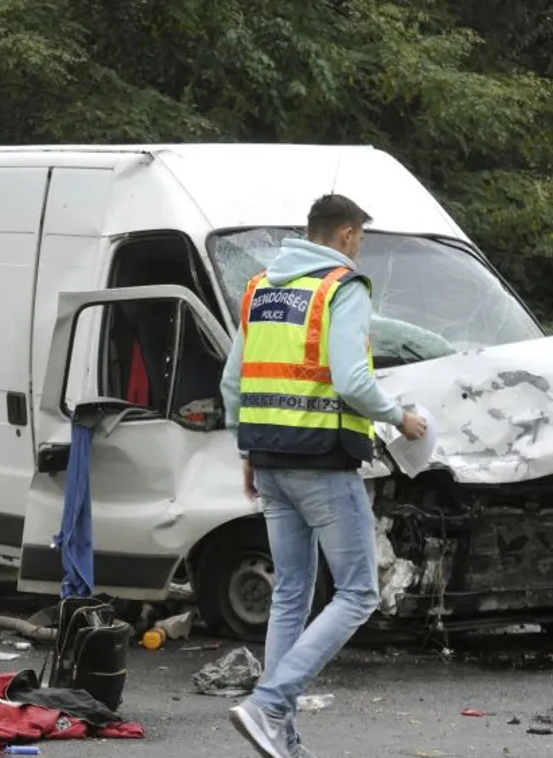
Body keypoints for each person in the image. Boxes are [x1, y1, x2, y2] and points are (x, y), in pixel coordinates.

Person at [218, 193, 428, 758]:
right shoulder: (342, 288)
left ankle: (278, 739)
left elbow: (232, 382)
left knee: (291, 593)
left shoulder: (261, 288)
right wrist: (401, 418)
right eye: (360, 238)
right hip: (321, 461)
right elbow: (353, 380)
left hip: (268, 460)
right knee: (358, 594)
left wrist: (248, 451)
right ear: (348, 235)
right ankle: (269, 705)